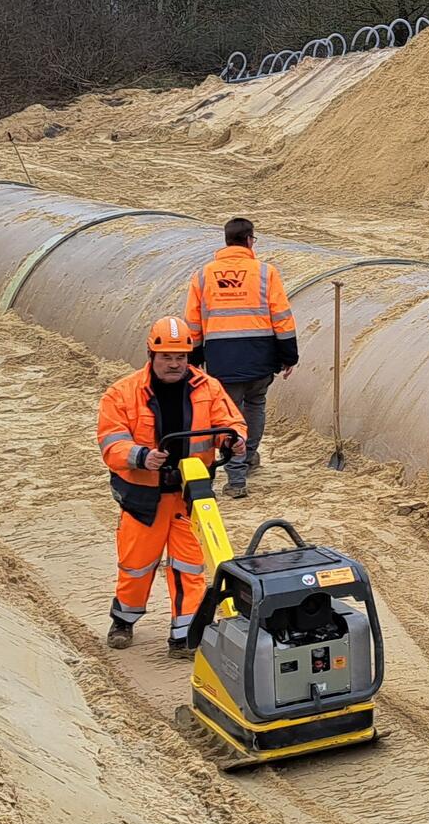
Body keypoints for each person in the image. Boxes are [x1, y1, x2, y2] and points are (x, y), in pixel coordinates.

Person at [97, 316, 246, 655]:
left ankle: (184, 637)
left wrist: (232, 440)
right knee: (137, 565)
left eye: (181, 357)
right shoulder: (122, 394)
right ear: (151, 355)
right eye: (168, 357)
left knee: (189, 567)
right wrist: (139, 456)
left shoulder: (208, 388)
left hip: (190, 493)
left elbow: (230, 422)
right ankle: (124, 620)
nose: (175, 364)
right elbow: (111, 441)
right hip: (144, 496)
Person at [183, 218, 297, 499]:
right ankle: (245, 461)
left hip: (222, 360)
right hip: (260, 357)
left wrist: (194, 359)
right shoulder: (265, 273)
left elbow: (192, 323)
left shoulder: (202, 275)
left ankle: (236, 477)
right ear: (249, 240)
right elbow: (282, 316)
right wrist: (289, 355)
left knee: (228, 416)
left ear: (226, 241)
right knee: (256, 405)